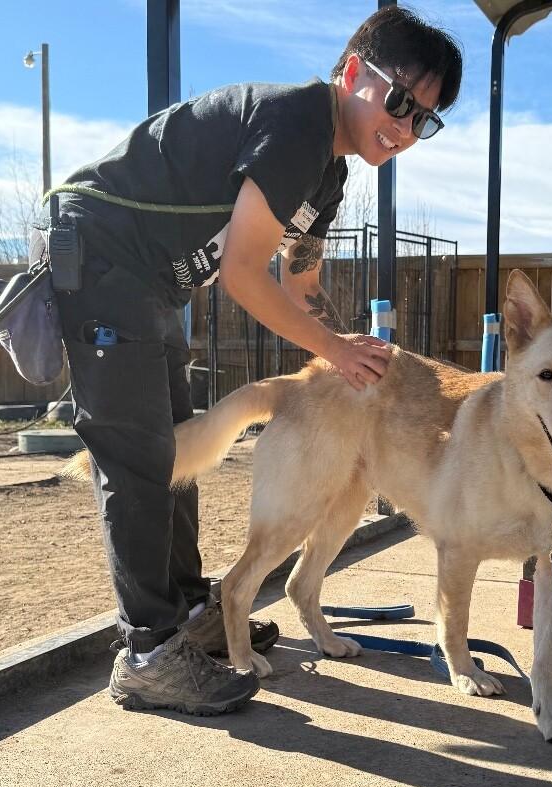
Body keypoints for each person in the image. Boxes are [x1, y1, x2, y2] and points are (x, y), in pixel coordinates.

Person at [43, 5, 462, 715]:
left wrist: (347, 356)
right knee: (139, 462)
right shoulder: (297, 122)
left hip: (153, 284)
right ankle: (148, 654)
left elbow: (301, 284)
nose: (405, 128)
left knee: (170, 453)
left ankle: (187, 617)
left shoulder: (330, 174)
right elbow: (242, 275)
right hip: (103, 254)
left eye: (425, 119)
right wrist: (334, 350)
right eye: (399, 100)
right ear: (352, 72)